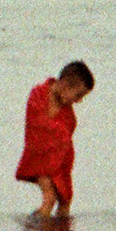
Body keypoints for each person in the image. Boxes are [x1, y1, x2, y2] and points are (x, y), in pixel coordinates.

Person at [16, 60, 94, 221]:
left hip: (59, 162)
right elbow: (36, 123)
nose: (78, 101)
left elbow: (66, 143)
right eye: (78, 95)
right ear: (64, 85)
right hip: (38, 158)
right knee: (49, 197)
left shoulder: (68, 115)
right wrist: (58, 131)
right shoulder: (39, 94)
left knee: (65, 200)